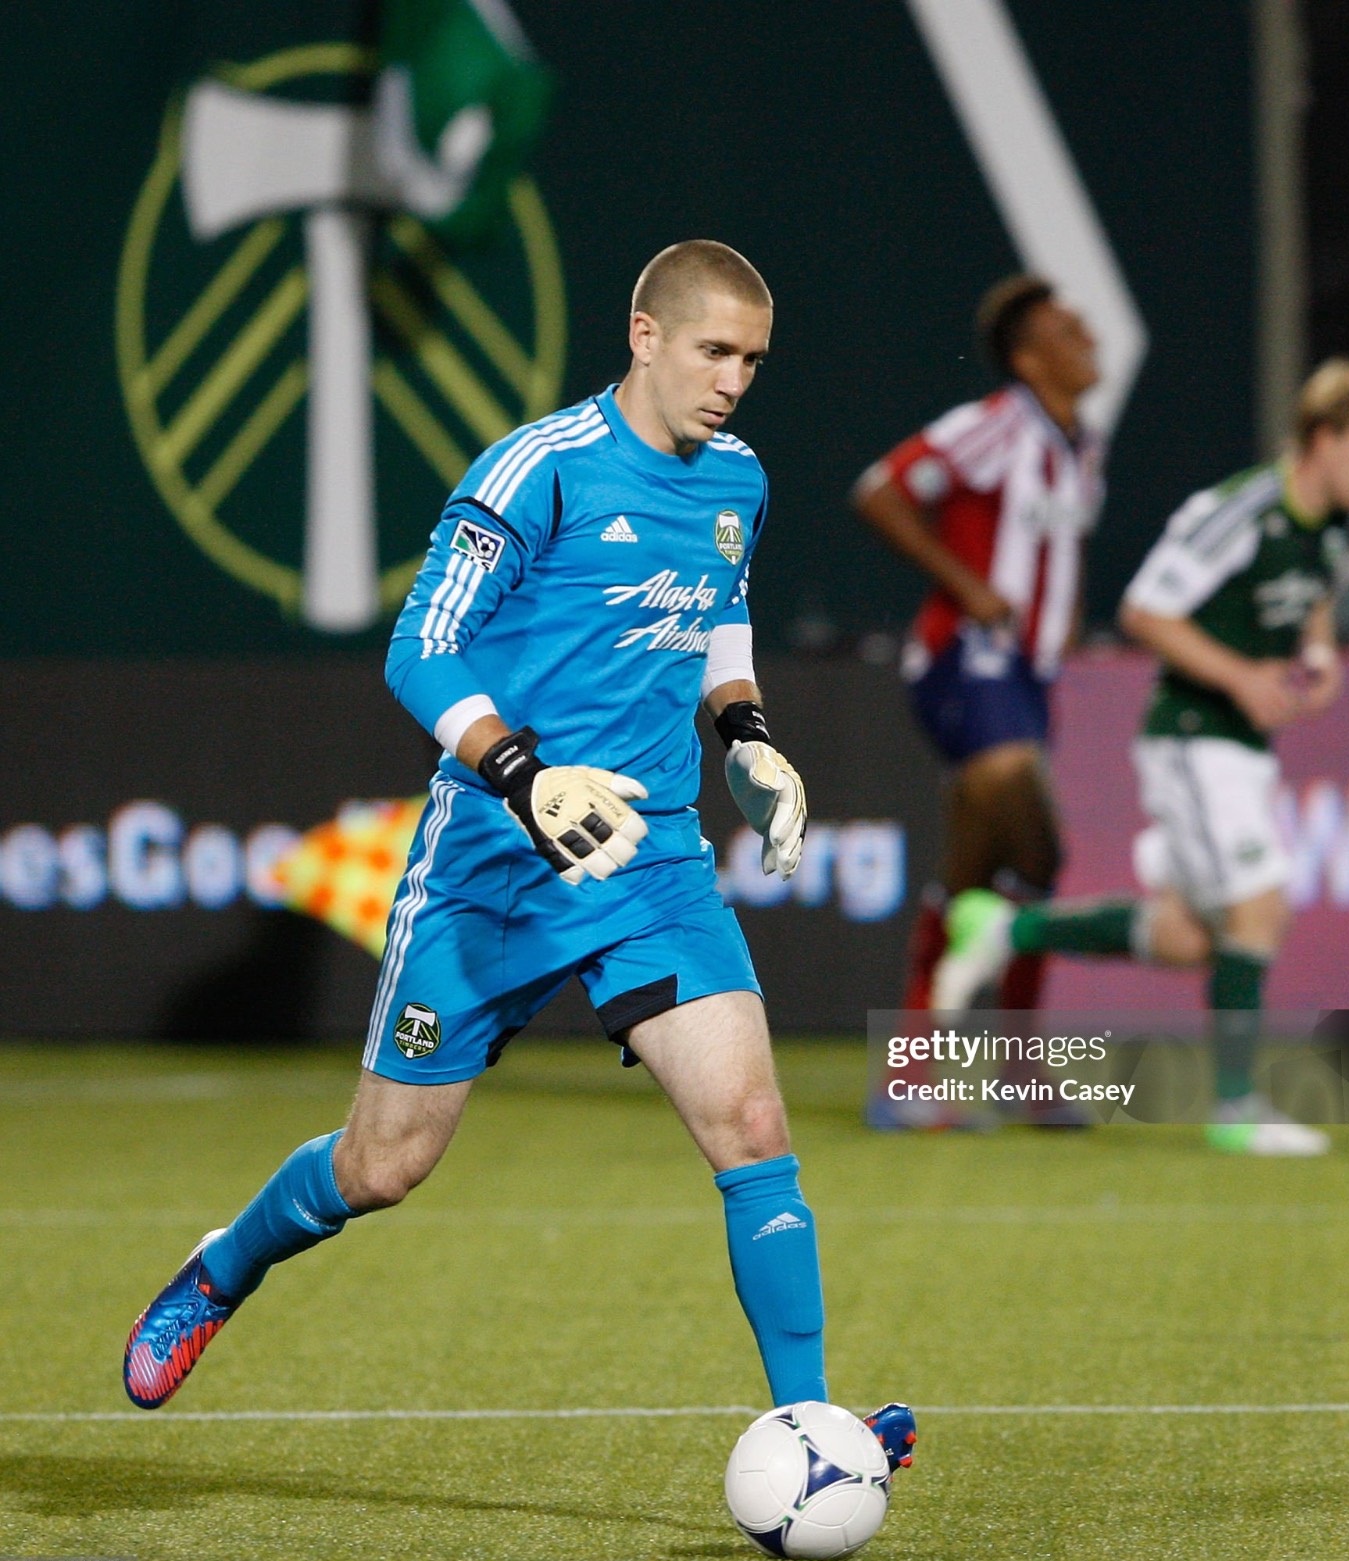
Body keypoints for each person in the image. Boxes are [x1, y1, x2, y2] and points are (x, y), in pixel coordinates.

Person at [122, 240, 916, 1474]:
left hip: (648, 860)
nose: (732, 382)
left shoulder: (739, 477)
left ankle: (811, 1423)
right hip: (492, 861)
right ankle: (222, 1267)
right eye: (713, 351)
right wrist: (523, 774)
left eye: (753, 361)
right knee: (383, 1165)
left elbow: (719, 609)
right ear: (644, 336)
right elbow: (419, 647)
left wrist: (748, 735)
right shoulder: (537, 469)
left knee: (753, 1126)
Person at [932, 359, 1349, 1155]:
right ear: (1323, 441)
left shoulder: (1331, 522)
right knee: (1260, 906)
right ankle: (1236, 1110)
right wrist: (1241, 677)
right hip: (1191, 737)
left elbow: (1315, 591)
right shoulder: (1238, 512)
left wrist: (1320, 654)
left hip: (1242, 748)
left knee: (1192, 938)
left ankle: (1005, 930)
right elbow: (1145, 610)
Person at [851, 275, 1103, 1017]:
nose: (1088, 340)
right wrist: (971, 588)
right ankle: (995, 1045)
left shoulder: (1083, 444)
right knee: (1028, 823)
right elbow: (880, 492)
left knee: (1007, 863)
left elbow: (1063, 541)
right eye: (1066, 332)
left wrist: (1066, 614)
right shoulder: (998, 425)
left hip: (1029, 675)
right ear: (1027, 361)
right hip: (969, 655)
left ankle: (937, 1048)